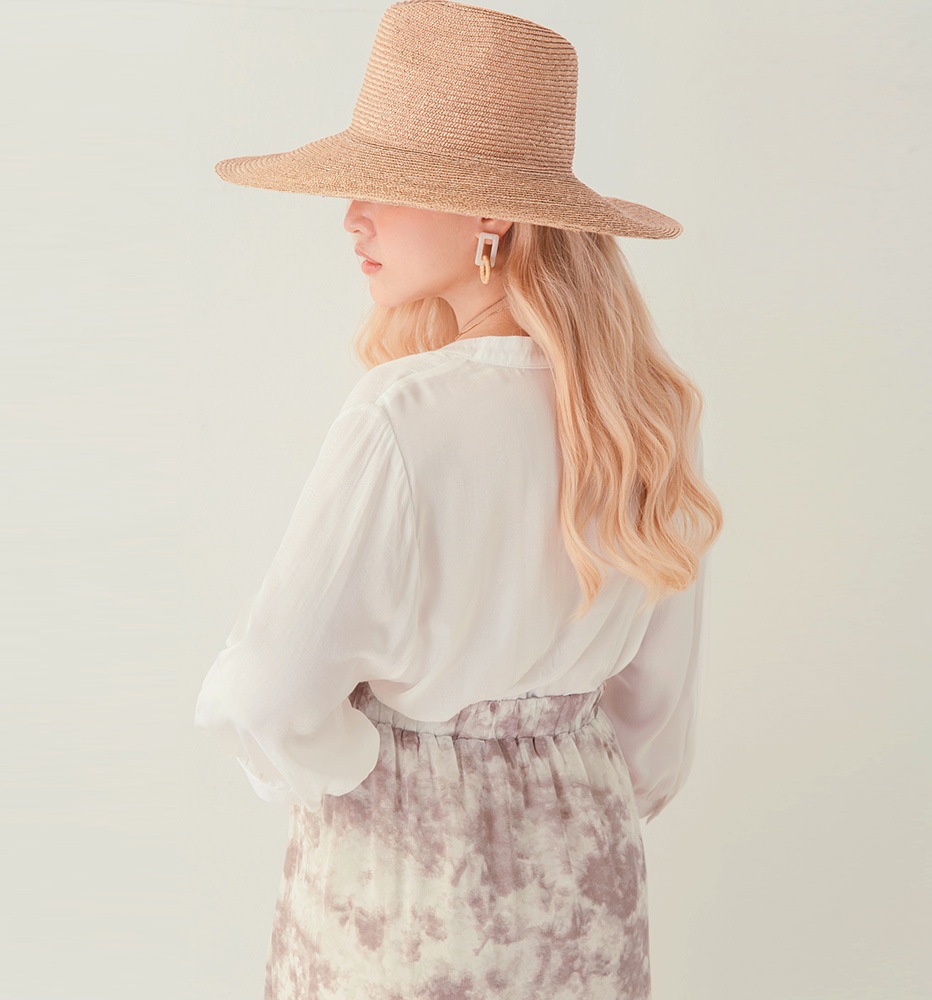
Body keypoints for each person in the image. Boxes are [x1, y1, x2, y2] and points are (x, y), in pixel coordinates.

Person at [194, 2, 723, 998]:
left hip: (404, 889)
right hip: (584, 888)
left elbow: (265, 691)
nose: (352, 215)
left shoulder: (402, 412)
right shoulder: (648, 417)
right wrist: (558, 779)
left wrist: (361, 767)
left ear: (490, 216)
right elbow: (656, 727)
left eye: (386, 185)